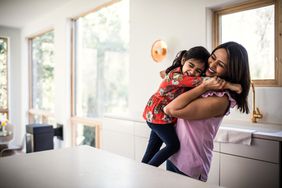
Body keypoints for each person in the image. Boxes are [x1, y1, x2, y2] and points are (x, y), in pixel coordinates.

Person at [163, 41, 251, 181]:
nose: (212, 65)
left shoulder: (221, 100)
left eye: (221, 65)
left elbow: (170, 109)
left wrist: (204, 87)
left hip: (190, 165)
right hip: (174, 156)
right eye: (213, 57)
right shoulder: (204, 83)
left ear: (231, 71)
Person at [142, 46, 241, 167]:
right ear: (184, 60)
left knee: (153, 148)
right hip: (158, 115)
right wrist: (231, 85)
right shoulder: (178, 76)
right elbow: (201, 81)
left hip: (159, 117)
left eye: (198, 71)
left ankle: (144, 168)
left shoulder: (180, 75)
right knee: (172, 145)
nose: (193, 72)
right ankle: (148, 170)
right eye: (191, 65)